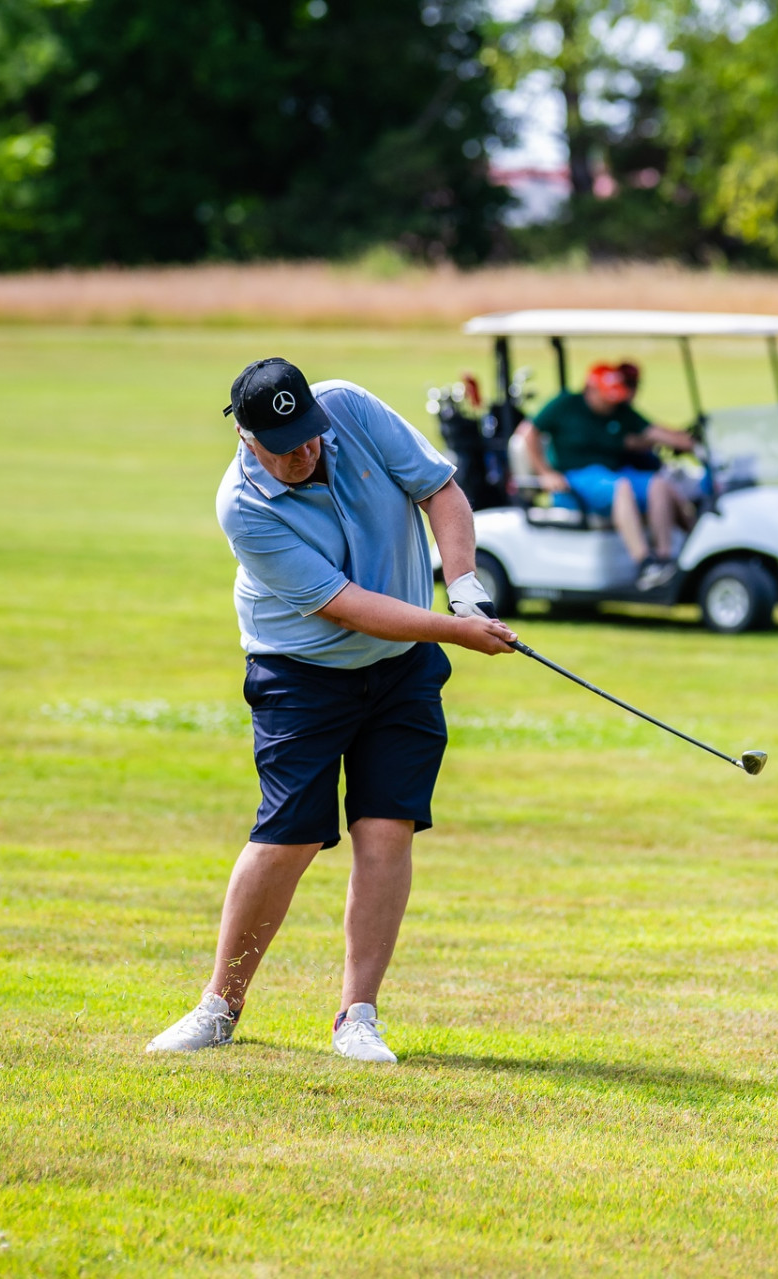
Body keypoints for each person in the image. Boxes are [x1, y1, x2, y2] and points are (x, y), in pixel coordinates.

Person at [145, 358, 518, 1063]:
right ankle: (220, 1005)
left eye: (310, 435)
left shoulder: (349, 406)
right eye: (285, 446)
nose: (305, 452)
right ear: (247, 439)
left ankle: (358, 1016)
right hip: (301, 673)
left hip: (401, 668)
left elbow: (439, 489)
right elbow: (345, 606)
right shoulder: (243, 506)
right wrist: (453, 629)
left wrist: (464, 586)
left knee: (387, 829)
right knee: (288, 835)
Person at [519, 361, 702, 590]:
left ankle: (665, 559)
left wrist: (689, 442)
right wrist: (546, 473)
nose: (611, 402)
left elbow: (655, 431)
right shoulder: (565, 404)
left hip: (612, 473)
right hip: (574, 479)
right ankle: (645, 564)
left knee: (659, 484)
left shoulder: (618, 410)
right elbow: (528, 433)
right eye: (606, 397)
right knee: (621, 486)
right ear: (591, 390)